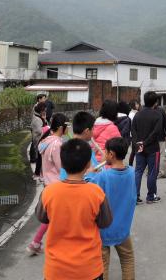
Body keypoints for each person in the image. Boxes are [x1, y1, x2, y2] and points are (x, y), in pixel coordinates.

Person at [35, 138, 113, 280]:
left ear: (62, 163)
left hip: (56, 269)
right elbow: (105, 222)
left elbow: (42, 217)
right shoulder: (96, 193)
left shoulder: (49, 192)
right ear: (88, 164)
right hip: (89, 268)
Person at [90, 137, 137, 280]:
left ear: (111, 154)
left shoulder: (103, 176)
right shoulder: (131, 172)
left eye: (105, 152)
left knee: (102, 264)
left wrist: (91, 173)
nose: (104, 154)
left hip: (103, 230)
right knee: (128, 259)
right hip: (123, 229)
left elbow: (89, 189)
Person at [27, 114, 69, 256]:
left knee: (52, 216)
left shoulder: (46, 142)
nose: (68, 129)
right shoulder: (57, 145)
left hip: (48, 184)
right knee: (56, 217)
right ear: (61, 128)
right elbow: (61, 167)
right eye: (67, 126)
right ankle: (41, 243)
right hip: (58, 185)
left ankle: (36, 242)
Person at [131, 91, 164, 204]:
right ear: (156, 102)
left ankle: (135, 196)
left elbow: (133, 130)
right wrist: (145, 143)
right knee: (152, 172)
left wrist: (138, 143)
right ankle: (150, 196)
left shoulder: (137, 115)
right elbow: (156, 132)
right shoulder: (157, 115)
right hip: (153, 148)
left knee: (138, 171)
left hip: (139, 148)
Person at [31, 102, 48, 179]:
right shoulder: (36, 119)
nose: (45, 111)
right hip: (39, 141)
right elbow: (39, 131)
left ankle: (39, 174)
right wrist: (47, 128)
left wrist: (44, 119)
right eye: (44, 110)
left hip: (42, 140)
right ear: (41, 110)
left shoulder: (40, 117)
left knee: (41, 157)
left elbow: (45, 124)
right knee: (40, 158)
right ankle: (37, 174)